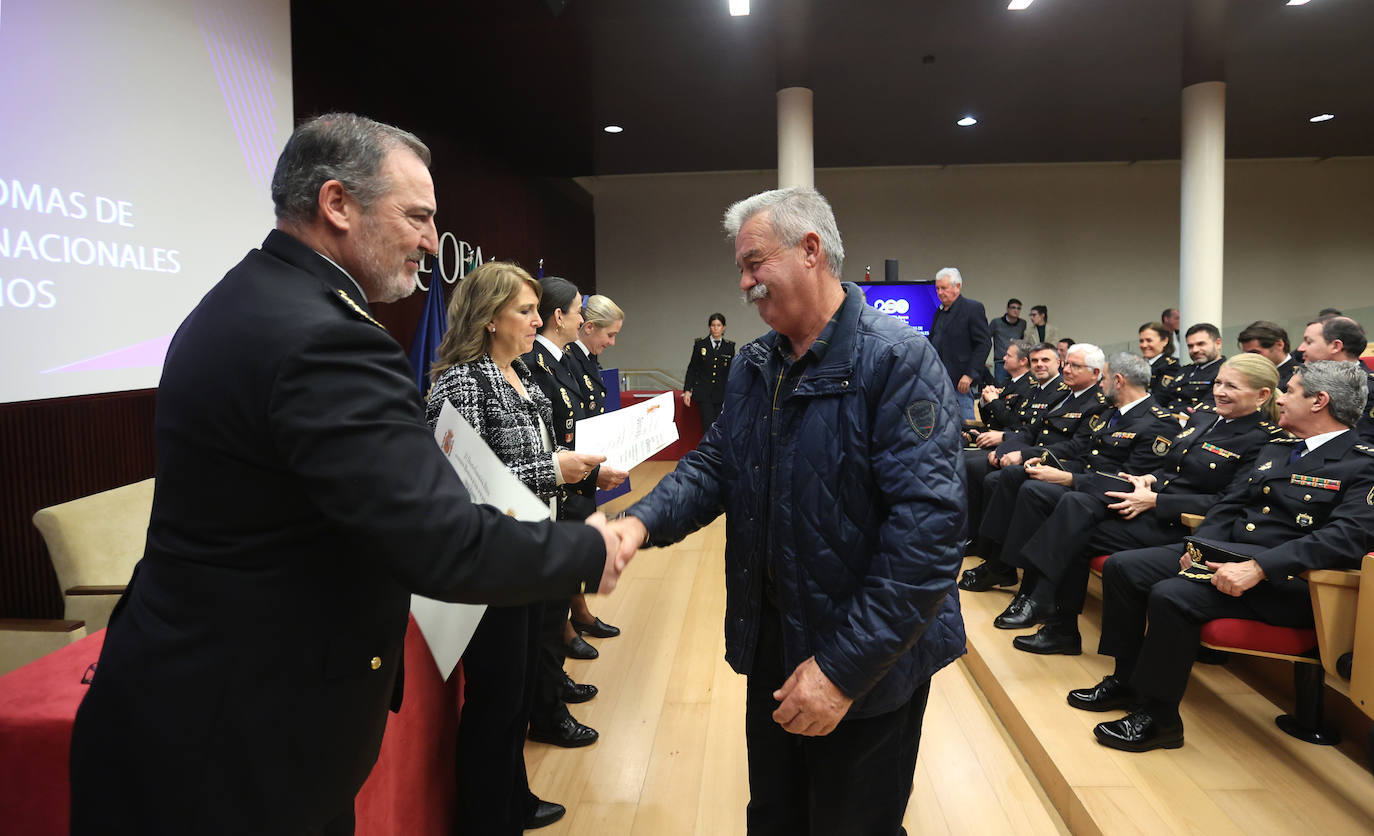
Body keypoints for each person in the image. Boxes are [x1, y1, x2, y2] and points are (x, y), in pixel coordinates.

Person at [68, 114, 623, 836]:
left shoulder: (247, 298)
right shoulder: (325, 336)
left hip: (198, 712)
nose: (431, 240)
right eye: (418, 216)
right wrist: (590, 549)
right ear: (337, 204)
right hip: (241, 745)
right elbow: (438, 541)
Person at [608, 187, 966, 834]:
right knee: (774, 815)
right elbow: (716, 465)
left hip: (868, 661)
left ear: (810, 250)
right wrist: (638, 523)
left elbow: (928, 539)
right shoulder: (755, 366)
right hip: (775, 641)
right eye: (740, 270)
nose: (743, 283)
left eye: (753, 264)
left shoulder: (898, 360)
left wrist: (838, 673)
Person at [1073, 361, 1374, 752]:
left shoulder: (1363, 463)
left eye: (1290, 391)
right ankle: (1126, 681)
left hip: (1294, 582)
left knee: (1173, 595)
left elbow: (1344, 538)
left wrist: (1261, 567)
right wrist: (1199, 550)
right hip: (1229, 555)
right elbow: (1230, 506)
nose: (1280, 399)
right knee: (1124, 567)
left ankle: (1159, 719)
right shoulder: (1280, 446)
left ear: (1319, 401)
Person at [425, 263, 607, 832]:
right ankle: (488, 817)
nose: (538, 320)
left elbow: (528, 463)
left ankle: (515, 799)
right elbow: (463, 477)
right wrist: (557, 468)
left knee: (521, 690)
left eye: (536, 309)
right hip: (489, 562)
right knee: (495, 702)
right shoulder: (461, 382)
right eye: (525, 311)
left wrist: (573, 474)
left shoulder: (521, 373)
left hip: (529, 550)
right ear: (488, 318)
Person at [1002, 354, 1285, 655]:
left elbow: (1226, 501)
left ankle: (1043, 604)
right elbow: (1174, 468)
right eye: (1218, 383)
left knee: (1076, 516)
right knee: (1074, 511)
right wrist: (1149, 479)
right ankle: (1056, 621)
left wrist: (1157, 500)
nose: (1219, 391)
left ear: (1262, 395)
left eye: (1231, 386)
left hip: (1182, 524)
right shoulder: (1205, 419)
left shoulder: (1263, 440)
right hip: (1150, 505)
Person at [971, 352, 1178, 608]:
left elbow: (1127, 481)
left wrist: (1068, 478)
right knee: (1020, 476)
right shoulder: (1111, 413)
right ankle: (1001, 564)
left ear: (1119, 381)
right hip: (1089, 482)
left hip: (1109, 499)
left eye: (1104, 378)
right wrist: (1045, 462)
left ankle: (1032, 589)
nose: (1101, 384)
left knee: (1037, 492)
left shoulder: (1158, 423)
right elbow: (1085, 454)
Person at [522, 276, 629, 749]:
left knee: (556, 604)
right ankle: (547, 707)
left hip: (570, 487)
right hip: (548, 499)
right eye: (578, 310)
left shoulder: (561, 361)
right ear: (559, 315)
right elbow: (547, 443)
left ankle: (553, 689)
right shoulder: (533, 364)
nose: (584, 318)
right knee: (547, 615)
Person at [959, 343, 1111, 591]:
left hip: (1063, 464)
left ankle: (1000, 564)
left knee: (1008, 477)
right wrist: (1004, 449)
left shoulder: (1097, 404)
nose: (1068, 370)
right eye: (1067, 364)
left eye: (1075, 366)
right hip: (1039, 455)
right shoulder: (1063, 396)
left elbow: (1076, 447)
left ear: (1095, 374)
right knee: (992, 477)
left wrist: (1024, 454)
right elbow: (1030, 431)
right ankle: (994, 559)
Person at [564, 293, 628, 641]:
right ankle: (568, 624)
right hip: (572, 468)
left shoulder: (585, 358)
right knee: (571, 547)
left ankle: (580, 614)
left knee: (580, 542)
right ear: (588, 327)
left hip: (587, 465)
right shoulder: (568, 360)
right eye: (610, 334)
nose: (612, 342)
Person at [1297, 315, 1374, 442]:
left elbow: (1362, 443)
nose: (1301, 349)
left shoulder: (1370, 388)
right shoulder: (1299, 380)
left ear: (1335, 346)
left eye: (1309, 342)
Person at [929, 266, 992, 422]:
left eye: (944, 288)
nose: (939, 292)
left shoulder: (972, 308)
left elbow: (984, 343)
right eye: (937, 288)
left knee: (964, 425)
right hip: (938, 380)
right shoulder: (939, 312)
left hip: (961, 381)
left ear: (957, 287)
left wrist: (970, 374)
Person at [683, 312, 736, 430]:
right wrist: (687, 390)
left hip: (721, 393)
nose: (716, 328)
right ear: (709, 327)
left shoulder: (729, 347)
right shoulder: (700, 344)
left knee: (721, 426)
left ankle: (718, 449)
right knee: (707, 426)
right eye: (713, 325)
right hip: (704, 392)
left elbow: (731, 372)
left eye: (718, 325)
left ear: (723, 327)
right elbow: (692, 368)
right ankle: (708, 449)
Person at [1158, 323, 1224, 411]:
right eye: (1190, 346)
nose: (1195, 350)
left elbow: (1208, 409)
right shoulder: (1185, 370)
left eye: (1201, 344)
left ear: (1218, 343)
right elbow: (1163, 398)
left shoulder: (1224, 372)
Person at [977, 339, 1034, 432]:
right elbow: (988, 420)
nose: (1004, 358)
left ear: (1023, 361)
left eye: (1009, 356)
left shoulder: (1030, 387)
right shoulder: (1007, 383)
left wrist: (993, 400)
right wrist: (985, 400)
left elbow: (1014, 423)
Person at [1238, 320, 1299, 390]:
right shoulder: (1247, 375)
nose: (1250, 358)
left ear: (1279, 344)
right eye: (1247, 354)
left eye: (1255, 353)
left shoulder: (1299, 376)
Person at [988, 298, 1028, 385]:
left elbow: (1022, 342)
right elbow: (986, 340)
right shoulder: (996, 322)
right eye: (1013, 308)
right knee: (1000, 386)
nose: (1016, 310)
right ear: (1007, 309)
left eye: (1018, 308)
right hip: (1001, 362)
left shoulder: (1022, 323)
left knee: (1017, 386)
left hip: (1017, 361)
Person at [1137, 321, 1180, 401]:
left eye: (1149, 340)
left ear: (1164, 341)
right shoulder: (1136, 364)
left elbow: (1161, 397)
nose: (1144, 345)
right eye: (1141, 341)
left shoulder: (1171, 366)